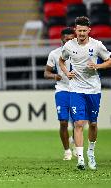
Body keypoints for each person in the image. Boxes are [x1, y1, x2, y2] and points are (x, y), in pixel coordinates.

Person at [59, 16, 111, 170]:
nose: (81, 33)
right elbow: (62, 61)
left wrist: (97, 66)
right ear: (75, 30)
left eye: (84, 30)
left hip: (93, 89)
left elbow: (109, 60)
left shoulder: (97, 45)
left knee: (93, 124)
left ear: (89, 30)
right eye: (79, 30)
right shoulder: (69, 45)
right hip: (76, 89)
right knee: (78, 123)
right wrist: (66, 72)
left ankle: (91, 152)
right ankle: (80, 159)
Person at [44, 27, 76, 160]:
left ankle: (75, 141)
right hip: (62, 90)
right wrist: (54, 76)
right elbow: (46, 72)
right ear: (61, 39)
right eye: (66, 39)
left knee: (78, 122)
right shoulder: (54, 54)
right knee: (63, 122)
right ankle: (67, 151)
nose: (68, 41)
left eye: (71, 39)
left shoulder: (80, 52)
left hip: (78, 90)